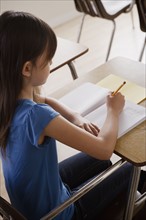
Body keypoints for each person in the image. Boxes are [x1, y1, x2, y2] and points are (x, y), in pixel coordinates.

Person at [0, 11, 133, 220]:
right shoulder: (38, 117)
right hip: (59, 214)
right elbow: (104, 149)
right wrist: (112, 110)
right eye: (49, 59)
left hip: (30, 207)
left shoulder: (7, 102)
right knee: (129, 169)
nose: (52, 63)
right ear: (27, 68)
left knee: (101, 165)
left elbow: (43, 100)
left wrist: (75, 117)